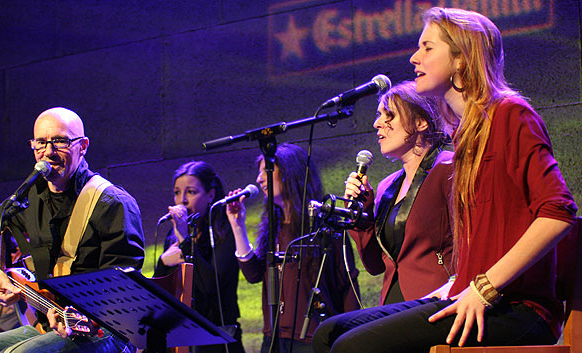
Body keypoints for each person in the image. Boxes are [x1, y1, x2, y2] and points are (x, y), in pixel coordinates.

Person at [312, 7, 578, 353]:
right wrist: (457, 281)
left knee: (352, 347)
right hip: (467, 294)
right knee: (327, 334)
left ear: (461, 59)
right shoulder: (467, 135)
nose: (413, 57)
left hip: (514, 307)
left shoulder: (511, 114)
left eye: (427, 47)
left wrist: (483, 287)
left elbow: (558, 212)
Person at [0, 107, 145, 353]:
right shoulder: (32, 196)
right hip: (49, 325)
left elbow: (123, 286)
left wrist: (82, 314)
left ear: (83, 145)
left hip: (104, 332)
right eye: (40, 143)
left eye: (59, 141)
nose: (48, 152)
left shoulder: (111, 202)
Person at [225, 143, 360, 353]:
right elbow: (253, 274)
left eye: (266, 171)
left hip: (313, 339)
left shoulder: (326, 224)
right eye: (259, 172)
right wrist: (237, 225)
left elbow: (347, 285)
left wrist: (352, 341)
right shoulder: (274, 226)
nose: (259, 179)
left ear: (290, 172)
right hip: (274, 339)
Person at [344, 80, 454, 305]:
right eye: (378, 115)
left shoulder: (449, 169)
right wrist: (361, 213)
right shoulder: (386, 186)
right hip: (393, 303)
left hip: (435, 298)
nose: (377, 123)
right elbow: (375, 265)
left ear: (421, 121)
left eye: (389, 116)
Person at [153, 161, 245, 353]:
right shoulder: (174, 235)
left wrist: (186, 241)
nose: (182, 200)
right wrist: (162, 262)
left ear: (211, 194)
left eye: (191, 192)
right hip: (181, 337)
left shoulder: (225, 231)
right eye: (177, 192)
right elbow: (159, 292)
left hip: (218, 340)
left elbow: (211, 286)